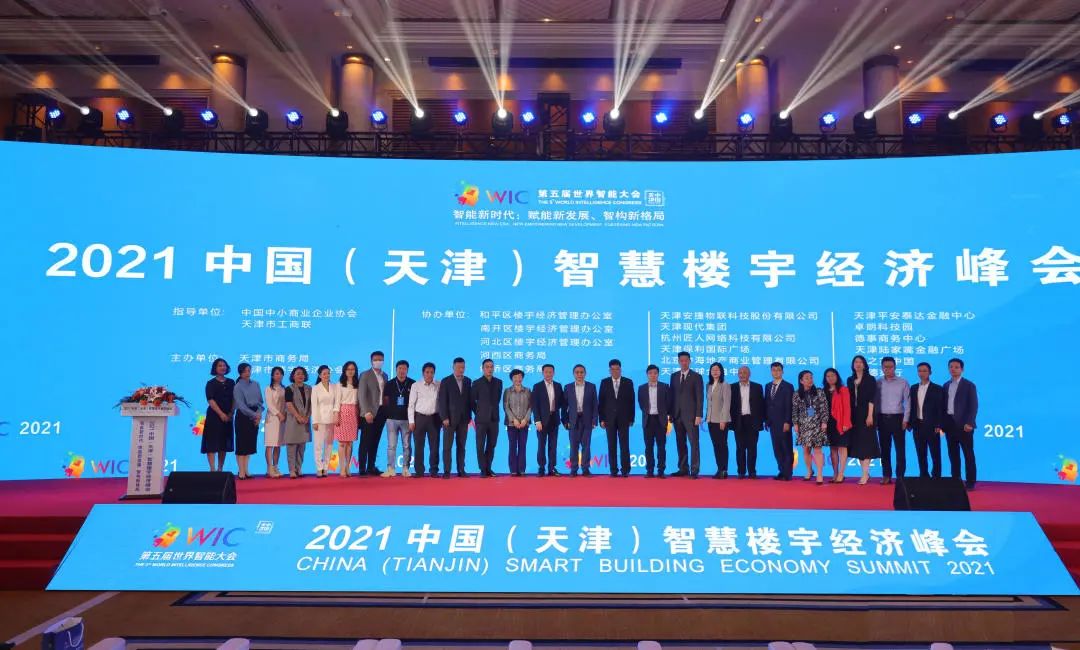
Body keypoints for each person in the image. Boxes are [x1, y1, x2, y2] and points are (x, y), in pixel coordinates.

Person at [942, 358, 979, 489]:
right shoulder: (946, 385)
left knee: (968, 454)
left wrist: (970, 423)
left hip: (964, 425)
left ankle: (970, 481)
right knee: (953, 455)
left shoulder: (969, 385)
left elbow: (973, 406)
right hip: (950, 424)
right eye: (951, 367)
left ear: (962, 369)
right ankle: (956, 480)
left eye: (956, 367)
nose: (953, 369)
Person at [876, 356, 910, 485]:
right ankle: (886, 475)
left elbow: (908, 402)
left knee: (900, 449)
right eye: (885, 367)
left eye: (890, 367)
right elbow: (875, 402)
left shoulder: (903, 382)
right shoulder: (878, 383)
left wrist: (906, 419)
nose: (888, 369)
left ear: (895, 367)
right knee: (884, 449)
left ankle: (900, 476)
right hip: (882, 419)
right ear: (882, 368)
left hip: (898, 419)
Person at [669, 351, 704, 478]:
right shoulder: (673, 376)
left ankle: (694, 470)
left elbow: (699, 397)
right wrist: (670, 413)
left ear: (690, 361)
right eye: (681, 360)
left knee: (694, 443)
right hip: (676, 415)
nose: (684, 363)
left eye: (686, 360)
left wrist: (699, 415)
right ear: (678, 361)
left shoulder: (696, 376)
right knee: (680, 443)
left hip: (691, 416)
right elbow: (671, 396)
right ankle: (683, 468)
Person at [598, 358, 635, 477]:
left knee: (624, 445)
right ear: (609, 370)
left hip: (624, 419)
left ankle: (625, 470)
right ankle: (613, 470)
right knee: (611, 445)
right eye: (612, 369)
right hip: (609, 419)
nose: (615, 371)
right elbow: (601, 402)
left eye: (617, 369)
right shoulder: (604, 382)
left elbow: (632, 401)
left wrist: (631, 418)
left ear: (620, 369)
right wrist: (601, 419)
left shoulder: (628, 382)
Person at [847, 355, 879, 485]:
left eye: (860, 362)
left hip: (867, 414)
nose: (858, 364)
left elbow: (872, 398)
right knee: (858, 445)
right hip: (854, 415)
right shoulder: (850, 380)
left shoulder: (870, 379)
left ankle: (865, 474)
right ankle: (865, 472)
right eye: (856, 362)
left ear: (865, 365)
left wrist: (870, 415)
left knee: (867, 444)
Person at [792, 370, 829, 485]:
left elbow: (824, 407)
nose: (810, 380)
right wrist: (795, 424)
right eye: (807, 378)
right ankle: (809, 470)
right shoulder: (797, 394)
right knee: (806, 449)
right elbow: (795, 410)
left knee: (818, 449)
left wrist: (824, 422)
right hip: (803, 425)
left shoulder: (819, 391)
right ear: (801, 381)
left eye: (811, 377)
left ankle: (819, 474)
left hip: (817, 423)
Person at [908, 362, 944, 479]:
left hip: (932, 426)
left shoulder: (937, 388)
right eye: (920, 371)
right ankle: (923, 475)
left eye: (924, 371)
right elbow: (911, 406)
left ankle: (936, 476)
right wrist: (909, 423)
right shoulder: (913, 388)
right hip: (917, 425)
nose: (922, 373)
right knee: (921, 453)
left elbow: (940, 408)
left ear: (930, 372)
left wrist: (939, 424)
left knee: (935, 453)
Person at [438, 357, 472, 478]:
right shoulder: (446, 381)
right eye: (458, 367)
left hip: (464, 419)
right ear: (453, 367)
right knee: (447, 446)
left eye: (463, 367)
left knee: (461, 446)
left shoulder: (468, 381)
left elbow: (469, 400)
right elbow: (442, 401)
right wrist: (444, 417)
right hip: (449, 419)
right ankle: (447, 471)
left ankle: (461, 470)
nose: (461, 369)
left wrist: (471, 416)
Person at [729, 366, 764, 479]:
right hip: (738, 421)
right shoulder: (732, 387)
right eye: (740, 373)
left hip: (753, 420)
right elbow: (730, 406)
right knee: (740, 447)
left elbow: (762, 405)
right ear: (737, 374)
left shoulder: (757, 387)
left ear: (749, 374)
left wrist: (763, 421)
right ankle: (741, 471)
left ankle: (752, 471)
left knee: (752, 447)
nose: (742, 374)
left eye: (745, 372)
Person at [357, 351, 389, 477]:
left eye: (380, 359)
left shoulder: (385, 375)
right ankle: (362, 468)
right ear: (371, 361)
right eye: (376, 360)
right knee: (365, 441)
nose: (378, 362)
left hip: (381, 412)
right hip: (368, 413)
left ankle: (371, 466)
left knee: (375, 441)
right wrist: (366, 412)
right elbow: (361, 395)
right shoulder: (365, 375)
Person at [563, 364, 598, 477]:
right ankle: (573, 469)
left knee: (586, 446)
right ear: (573, 374)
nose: (579, 374)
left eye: (581, 372)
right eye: (577, 372)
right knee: (573, 446)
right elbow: (564, 406)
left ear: (585, 373)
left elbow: (595, 405)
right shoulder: (568, 387)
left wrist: (594, 420)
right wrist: (565, 421)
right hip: (573, 420)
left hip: (587, 419)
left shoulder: (591, 387)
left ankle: (585, 469)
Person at [637, 364, 671, 478]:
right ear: (647, 375)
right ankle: (650, 471)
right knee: (648, 447)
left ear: (658, 374)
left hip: (660, 420)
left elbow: (668, 403)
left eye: (655, 373)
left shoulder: (665, 387)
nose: (653, 375)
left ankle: (661, 470)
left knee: (661, 447)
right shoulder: (641, 388)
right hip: (648, 420)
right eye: (650, 373)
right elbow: (641, 404)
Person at [471, 359, 503, 477]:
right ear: (483, 368)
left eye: (491, 367)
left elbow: (497, 399)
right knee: (480, 445)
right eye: (487, 367)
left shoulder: (499, 382)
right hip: (481, 419)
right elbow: (472, 401)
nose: (490, 369)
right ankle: (483, 469)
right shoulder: (477, 383)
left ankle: (488, 468)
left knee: (491, 444)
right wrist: (479, 412)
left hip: (494, 419)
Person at [408, 362, 441, 478]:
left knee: (435, 446)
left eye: (432, 372)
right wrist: (411, 421)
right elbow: (411, 404)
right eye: (427, 372)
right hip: (419, 418)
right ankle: (419, 471)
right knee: (418, 446)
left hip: (434, 418)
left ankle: (434, 470)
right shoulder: (416, 385)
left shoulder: (439, 385)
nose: (429, 374)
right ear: (423, 373)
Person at [383, 360, 415, 478]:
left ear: (407, 370)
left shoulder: (412, 384)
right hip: (391, 419)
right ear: (396, 370)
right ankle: (390, 468)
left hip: (406, 419)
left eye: (404, 369)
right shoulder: (390, 384)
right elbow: (385, 401)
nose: (402, 371)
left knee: (406, 445)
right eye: (400, 368)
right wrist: (388, 414)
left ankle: (405, 468)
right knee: (391, 445)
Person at [202, 358, 235, 473]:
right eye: (220, 365)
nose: (223, 367)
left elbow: (235, 398)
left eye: (224, 365)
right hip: (214, 416)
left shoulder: (231, 382)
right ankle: (212, 469)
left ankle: (220, 468)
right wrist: (221, 414)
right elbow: (210, 400)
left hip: (228, 416)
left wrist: (231, 413)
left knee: (223, 443)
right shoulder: (210, 383)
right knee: (212, 442)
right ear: (215, 368)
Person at [764, 361, 795, 481]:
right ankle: (781, 471)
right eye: (774, 370)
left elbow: (789, 405)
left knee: (786, 448)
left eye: (778, 370)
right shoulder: (768, 386)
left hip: (784, 423)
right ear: (771, 372)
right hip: (772, 423)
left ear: (782, 372)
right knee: (777, 448)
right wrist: (766, 420)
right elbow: (767, 404)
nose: (776, 372)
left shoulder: (788, 386)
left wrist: (788, 421)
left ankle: (788, 473)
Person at [531, 364, 564, 477]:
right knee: (541, 445)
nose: (548, 374)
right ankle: (541, 468)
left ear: (553, 373)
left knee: (553, 446)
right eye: (546, 372)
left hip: (554, 419)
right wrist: (537, 420)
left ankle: (552, 468)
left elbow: (562, 402)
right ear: (542, 373)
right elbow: (534, 405)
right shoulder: (537, 386)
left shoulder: (558, 386)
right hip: (542, 421)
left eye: (550, 372)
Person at [232, 362, 263, 480]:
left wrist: (259, 414)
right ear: (240, 372)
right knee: (242, 444)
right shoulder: (238, 386)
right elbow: (241, 406)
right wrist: (255, 415)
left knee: (250, 444)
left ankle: (246, 469)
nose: (247, 373)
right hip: (243, 417)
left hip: (255, 415)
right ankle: (241, 471)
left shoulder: (256, 384)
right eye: (245, 371)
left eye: (249, 370)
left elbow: (260, 402)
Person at [822, 368, 852, 483]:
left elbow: (847, 407)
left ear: (837, 377)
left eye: (833, 375)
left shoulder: (843, 389)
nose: (830, 378)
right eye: (828, 376)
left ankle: (841, 473)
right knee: (833, 448)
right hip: (828, 423)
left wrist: (846, 423)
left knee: (842, 448)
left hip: (840, 422)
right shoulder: (823, 391)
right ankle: (835, 473)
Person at [283, 366, 312, 479]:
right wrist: (298, 416)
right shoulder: (289, 388)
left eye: (302, 373)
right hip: (293, 420)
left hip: (305, 420)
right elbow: (289, 404)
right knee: (292, 447)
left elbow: (312, 404)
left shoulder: (309, 388)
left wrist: (307, 416)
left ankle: (298, 468)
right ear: (293, 376)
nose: (301, 376)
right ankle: (291, 470)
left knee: (301, 447)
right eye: (298, 373)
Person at [503, 369, 532, 477]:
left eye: (520, 377)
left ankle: (522, 469)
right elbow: (506, 407)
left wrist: (525, 419)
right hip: (511, 424)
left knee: (522, 446)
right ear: (512, 379)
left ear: (522, 378)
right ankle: (513, 470)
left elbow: (531, 406)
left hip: (524, 423)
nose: (518, 379)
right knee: (512, 446)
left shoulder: (528, 390)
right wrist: (513, 419)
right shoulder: (507, 391)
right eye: (515, 377)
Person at [705, 362, 731, 479]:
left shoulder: (725, 385)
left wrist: (723, 420)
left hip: (721, 420)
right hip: (711, 420)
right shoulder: (709, 385)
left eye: (717, 370)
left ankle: (724, 470)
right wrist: (706, 418)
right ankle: (719, 468)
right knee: (716, 445)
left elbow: (726, 404)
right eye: (713, 370)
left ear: (721, 372)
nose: (715, 372)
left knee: (722, 445)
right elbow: (709, 403)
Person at [334, 361, 360, 478]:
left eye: (353, 369)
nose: (350, 371)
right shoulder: (340, 384)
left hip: (354, 412)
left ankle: (348, 467)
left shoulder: (357, 384)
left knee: (350, 442)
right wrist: (336, 415)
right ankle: (342, 468)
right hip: (343, 412)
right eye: (348, 369)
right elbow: (337, 401)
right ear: (344, 371)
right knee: (342, 442)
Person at [310, 365, 337, 479]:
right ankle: (319, 468)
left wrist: (335, 417)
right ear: (320, 375)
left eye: (328, 373)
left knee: (329, 445)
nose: (327, 375)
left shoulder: (334, 387)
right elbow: (314, 405)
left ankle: (326, 467)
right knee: (318, 445)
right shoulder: (315, 388)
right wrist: (314, 421)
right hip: (319, 420)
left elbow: (336, 403)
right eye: (324, 373)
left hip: (331, 420)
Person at [263, 366, 286, 478]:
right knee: (270, 444)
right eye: (276, 373)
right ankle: (269, 468)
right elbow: (269, 404)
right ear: (272, 376)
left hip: (282, 420)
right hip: (272, 419)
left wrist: (284, 414)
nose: (279, 375)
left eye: (281, 373)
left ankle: (276, 467)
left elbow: (285, 404)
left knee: (278, 445)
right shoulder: (268, 388)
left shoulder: (284, 388)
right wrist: (279, 414)